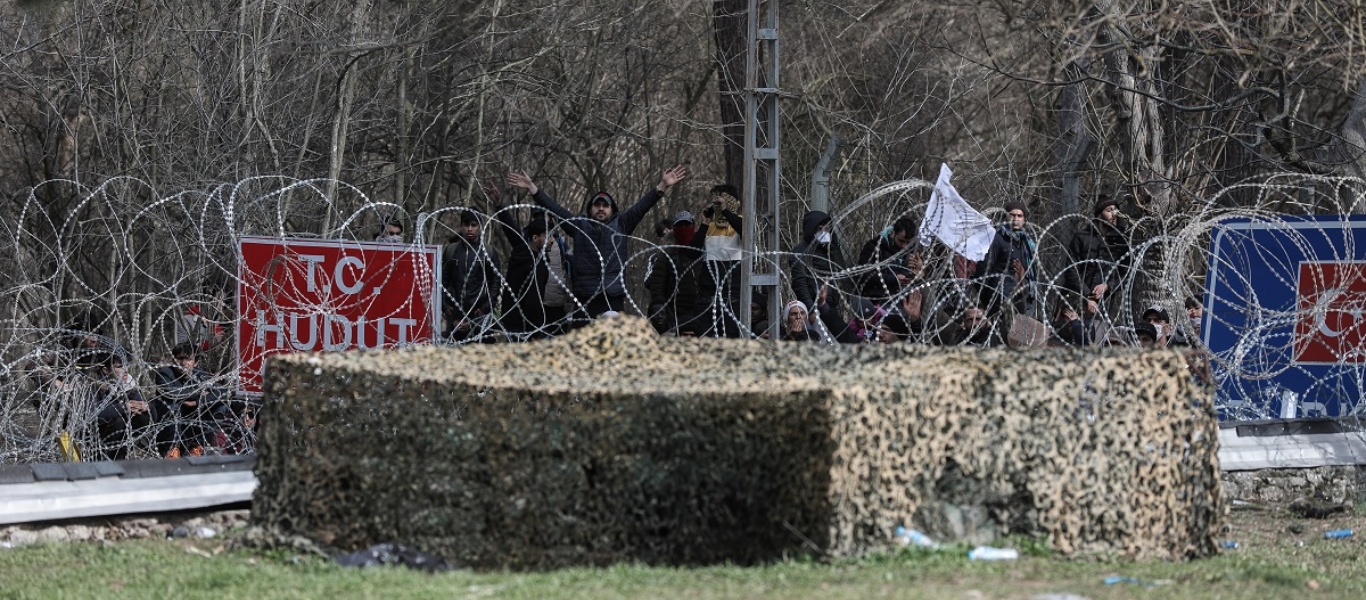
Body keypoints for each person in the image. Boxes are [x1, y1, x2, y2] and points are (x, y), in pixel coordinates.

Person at [507, 166, 688, 322]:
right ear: (590, 208)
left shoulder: (622, 224)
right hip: (585, 296)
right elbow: (556, 209)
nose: (601, 208)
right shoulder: (579, 225)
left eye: (605, 205)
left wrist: (662, 186)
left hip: (613, 295)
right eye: (597, 205)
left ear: (612, 209)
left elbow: (642, 206)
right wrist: (533, 189)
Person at [153, 343, 234, 457]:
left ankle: (197, 446)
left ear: (195, 363)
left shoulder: (201, 375)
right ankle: (172, 449)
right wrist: (200, 392)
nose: (184, 363)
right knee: (173, 406)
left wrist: (198, 402)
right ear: (173, 360)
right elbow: (172, 393)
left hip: (191, 423)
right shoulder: (165, 373)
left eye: (188, 359)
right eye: (180, 358)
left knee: (219, 406)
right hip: (168, 427)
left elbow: (223, 393)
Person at [1061, 195, 1131, 317]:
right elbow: (1071, 270)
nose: (1114, 215)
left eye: (1116, 211)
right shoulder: (1082, 237)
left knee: (1096, 335)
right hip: (1075, 298)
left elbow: (1126, 273)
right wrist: (1087, 295)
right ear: (1099, 215)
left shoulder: (1121, 242)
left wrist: (1107, 286)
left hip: (1103, 304)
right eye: (1109, 211)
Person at [492, 197, 552, 340]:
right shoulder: (525, 255)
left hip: (523, 322)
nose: (552, 241)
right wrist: (499, 204)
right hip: (522, 323)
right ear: (535, 238)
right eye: (548, 236)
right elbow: (511, 229)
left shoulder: (542, 261)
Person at [442, 210, 503, 342]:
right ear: (461, 226)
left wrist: (484, 309)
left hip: (480, 317)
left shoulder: (489, 253)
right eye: (466, 225)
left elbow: (495, 283)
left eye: (473, 225)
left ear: (480, 226)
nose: (469, 229)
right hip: (455, 317)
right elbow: (442, 281)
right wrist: (445, 307)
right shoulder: (452, 251)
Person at [692, 184, 745, 337]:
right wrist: (703, 224)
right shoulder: (709, 228)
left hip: (733, 294)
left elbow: (746, 233)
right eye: (716, 203)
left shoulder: (742, 223)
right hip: (709, 294)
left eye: (722, 202)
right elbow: (692, 253)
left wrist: (726, 211)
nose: (718, 206)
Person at [645, 211, 705, 335]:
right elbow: (657, 288)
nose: (683, 229)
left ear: (693, 226)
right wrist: (663, 312)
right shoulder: (665, 256)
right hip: (674, 314)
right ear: (674, 229)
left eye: (686, 225)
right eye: (680, 226)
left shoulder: (702, 253)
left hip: (700, 312)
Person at [975, 201, 1037, 317]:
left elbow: (1030, 273)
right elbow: (983, 270)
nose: (1016, 219)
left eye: (1019, 216)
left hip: (1020, 298)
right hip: (999, 297)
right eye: (1012, 215)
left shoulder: (1026, 243)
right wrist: (987, 298)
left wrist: (1023, 278)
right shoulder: (997, 238)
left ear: (1024, 219)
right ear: (1005, 216)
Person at [93, 353, 152, 460]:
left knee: (145, 415)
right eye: (120, 367)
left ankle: (122, 453)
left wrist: (141, 406)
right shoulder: (94, 386)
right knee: (119, 421)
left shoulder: (127, 383)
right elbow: (93, 415)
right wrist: (123, 408)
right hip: (97, 435)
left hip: (120, 435)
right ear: (106, 370)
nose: (126, 370)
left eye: (126, 365)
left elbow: (138, 402)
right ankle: (103, 457)